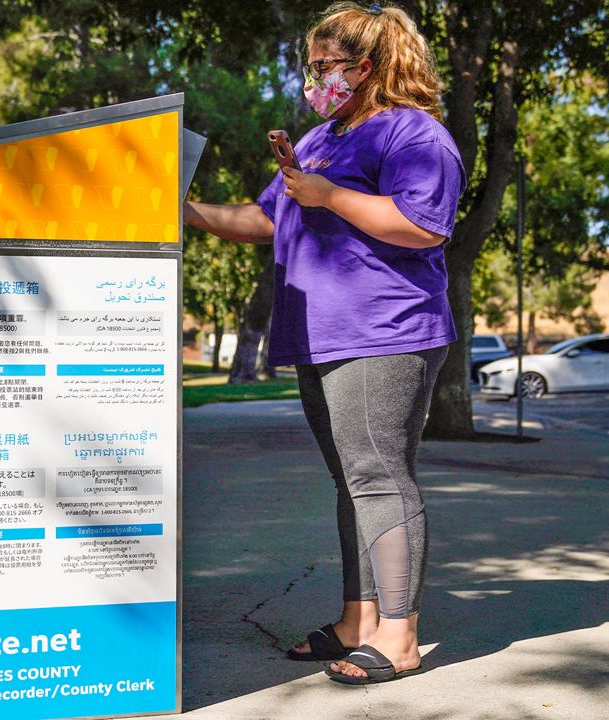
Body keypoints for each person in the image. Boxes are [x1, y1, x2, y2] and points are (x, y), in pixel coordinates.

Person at [183, 2, 465, 685]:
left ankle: (398, 635)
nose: (314, 80)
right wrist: (181, 210)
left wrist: (330, 196)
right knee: (354, 480)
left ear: (366, 66)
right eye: (311, 68)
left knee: (379, 475)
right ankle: (358, 620)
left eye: (325, 66)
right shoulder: (320, 140)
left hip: (385, 331)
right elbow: (262, 218)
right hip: (322, 334)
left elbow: (422, 225)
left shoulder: (414, 133)